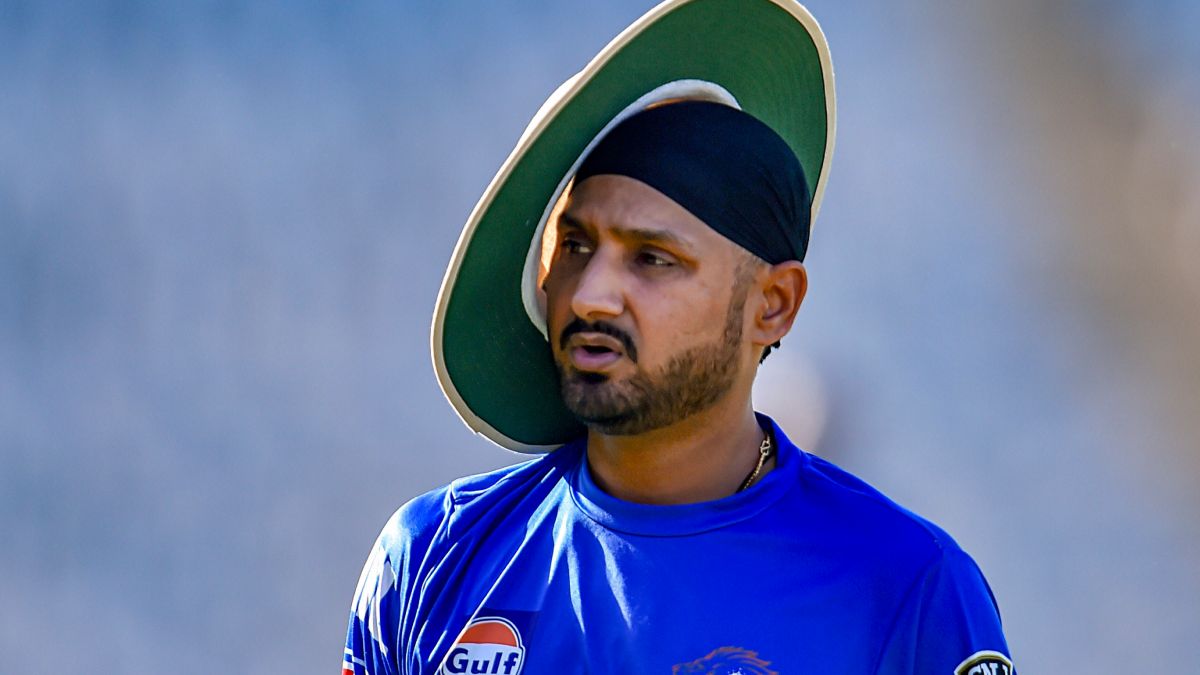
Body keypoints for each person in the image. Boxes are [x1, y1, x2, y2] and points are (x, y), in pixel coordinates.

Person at [343, 1, 1012, 673]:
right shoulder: (431, 559)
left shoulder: (908, 591)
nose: (591, 294)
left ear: (773, 306)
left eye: (652, 259)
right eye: (575, 246)